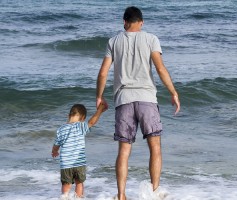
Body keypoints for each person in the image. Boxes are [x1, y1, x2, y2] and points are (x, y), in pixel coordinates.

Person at [96, 6, 180, 200]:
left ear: (124, 22)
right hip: (147, 99)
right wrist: (173, 93)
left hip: (123, 100)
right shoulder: (151, 39)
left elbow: (102, 73)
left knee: (124, 150)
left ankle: (121, 195)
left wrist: (99, 97)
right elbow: (160, 69)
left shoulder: (113, 41)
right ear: (141, 23)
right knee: (155, 147)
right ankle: (154, 192)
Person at [52, 103, 106, 199]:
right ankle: (79, 198)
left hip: (66, 164)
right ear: (83, 118)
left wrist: (54, 151)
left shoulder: (60, 129)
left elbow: (56, 145)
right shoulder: (80, 126)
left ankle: (64, 197)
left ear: (69, 115)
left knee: (66, 184)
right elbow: (92, 122)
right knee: (79, 183)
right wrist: (99, 110)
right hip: (79, 163)